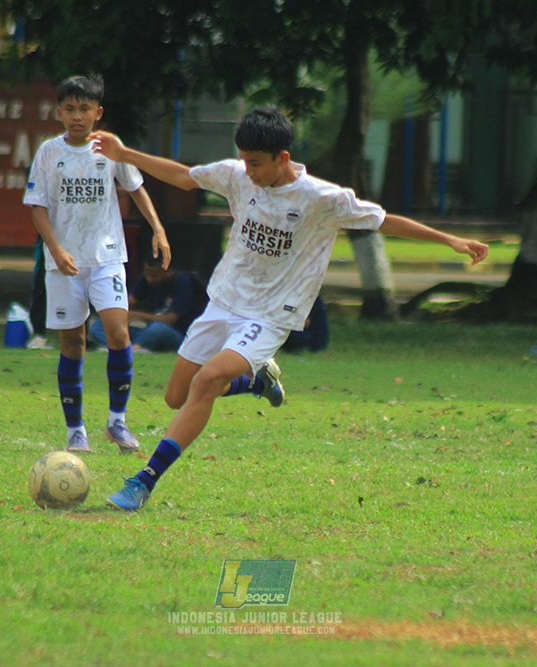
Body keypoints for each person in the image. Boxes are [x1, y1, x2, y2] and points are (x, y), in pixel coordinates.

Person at [91, 107, 489, 511]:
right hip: (226, 300)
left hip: (272, 313)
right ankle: (257, 383)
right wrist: (125, 154)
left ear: (283, 159)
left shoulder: (321, 198)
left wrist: (449, 240)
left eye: (257, 164)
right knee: (177, 397)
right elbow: (183, 177)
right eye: (244, 161)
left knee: (208, 380)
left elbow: (383, 221)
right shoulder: (236, 174)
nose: (248, 171)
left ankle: (144, 481)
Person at [23, 73, 171, 454]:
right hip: (65, 263)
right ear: (59, 113)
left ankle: (117, 422)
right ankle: (76, 429)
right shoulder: (48, 153)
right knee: (73, 343)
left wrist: (158, 229)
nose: (77, 116)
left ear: (98, 113)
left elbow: (136, 188)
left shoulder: (110, 150)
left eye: (85, 109)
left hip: (107, 257)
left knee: (119, 333)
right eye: (70, 109)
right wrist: (54, 249)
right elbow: (37, 206)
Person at [89, 253, 206, 352]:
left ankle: (134, 347)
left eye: (155, 276)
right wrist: (117, 314)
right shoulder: (146, 278)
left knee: (158, 329)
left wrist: (139, 316)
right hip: (146, 332)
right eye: (147, 274)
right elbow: (126, 304)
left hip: (176, 334)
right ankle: (126, 347)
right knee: (99, 325)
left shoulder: (183, 282)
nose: (149, 278)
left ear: (168, 271)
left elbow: (170, 320)